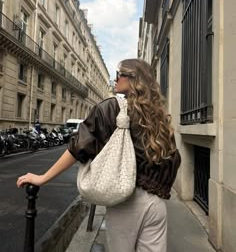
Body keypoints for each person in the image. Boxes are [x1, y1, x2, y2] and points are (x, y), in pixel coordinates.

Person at [17, 59, 181, 252]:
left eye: (119, 74)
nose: (115, 79)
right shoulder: (158, 117)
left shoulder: (111, 107)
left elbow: (79, 147)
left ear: (133, 79)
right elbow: (173, 160)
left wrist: (43, 178)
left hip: (126, 202)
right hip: (157, 204)